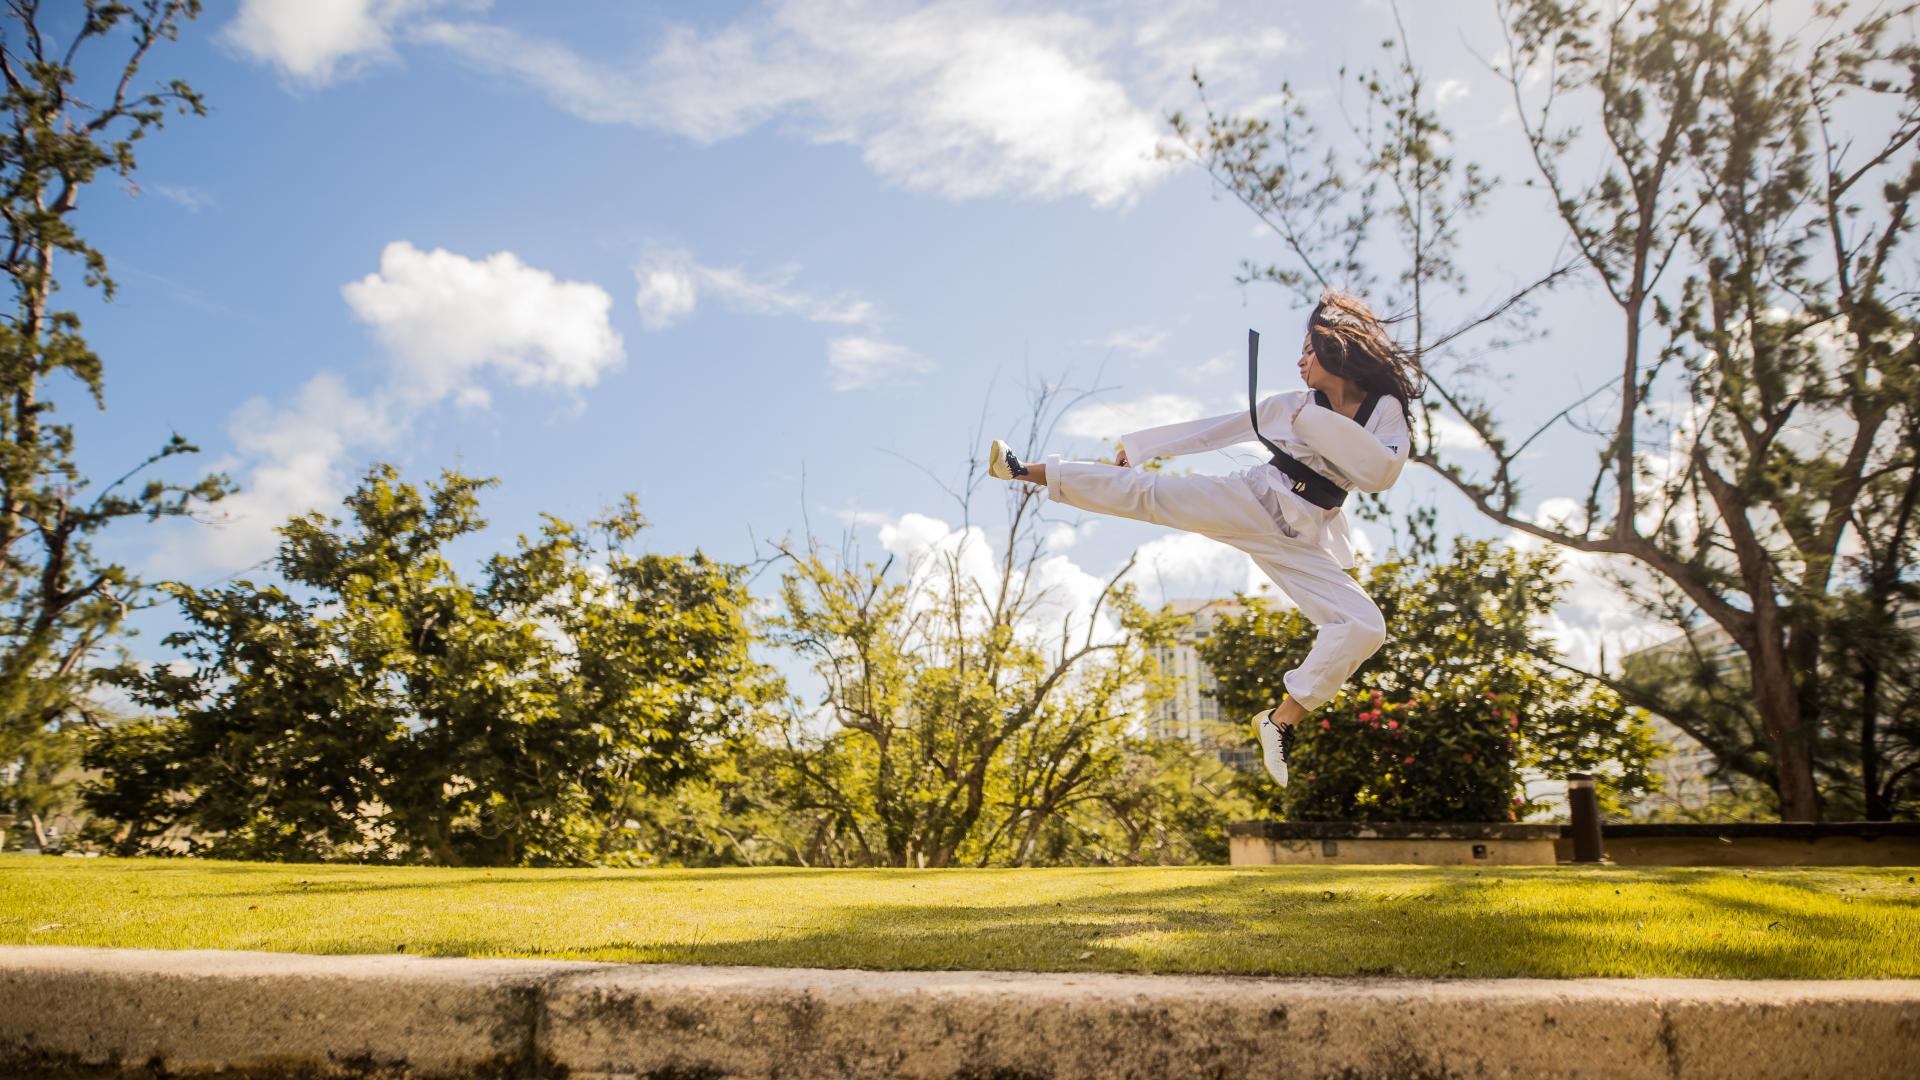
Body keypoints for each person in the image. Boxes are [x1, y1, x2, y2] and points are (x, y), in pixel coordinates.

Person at [986, 291, 1421, 787]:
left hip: (1302, 533)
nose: (1299, 361)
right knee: (1149, 496)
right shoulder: (1290, 406)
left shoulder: (1383, 409)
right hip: (1255, 500)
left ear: (1335, 351)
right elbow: (1220, 430)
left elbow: (1381, 471)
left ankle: (1280, 722)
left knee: (1365, 626)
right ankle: (1025, 470)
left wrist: (1315, 423)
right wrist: (1145, 445)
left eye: (1307, 351)